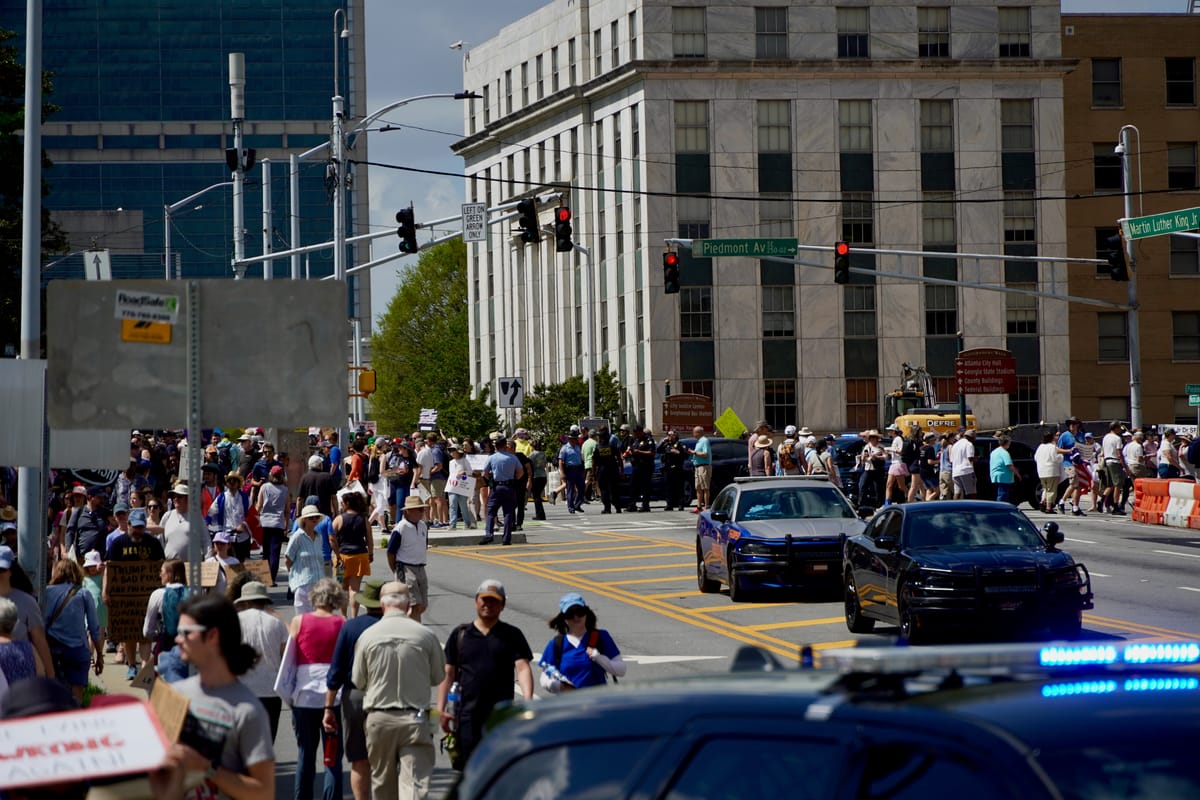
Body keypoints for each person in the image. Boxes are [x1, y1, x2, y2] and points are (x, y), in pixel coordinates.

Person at [172, 593, 275, 799]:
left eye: (186, 632)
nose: (178, 639)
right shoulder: (176, 694)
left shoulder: (248, 711)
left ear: (212, 636)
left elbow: (264, 792)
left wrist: (206, 768)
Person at [352, 581, 445, 800]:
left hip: (379, 717)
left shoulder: (367, 636)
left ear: (382, 606)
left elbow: (358, 680)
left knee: (383, 784)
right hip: (415, 719)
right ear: (409, 607)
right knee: (413, 785)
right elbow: (437, 677)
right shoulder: (425, 635)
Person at [437, 579, 534, 766]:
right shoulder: (460, 635)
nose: (488, 605)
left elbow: (522, 668)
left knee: (499, 768)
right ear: (476, 601)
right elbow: (448, 673)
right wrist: (440, 709)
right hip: (467, 717)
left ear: (503, 605)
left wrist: (528, 701)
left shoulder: (512, 635)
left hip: (501, 716)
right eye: (484, 600)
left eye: (494, 601)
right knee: (469, 772)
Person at [323, 578, 386, 800]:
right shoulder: (395, 627)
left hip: (356, 697)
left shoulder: (350, 627)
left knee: (359, 760)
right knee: (387, 760)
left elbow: (336, 671)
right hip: (388, 697)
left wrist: (329, 707)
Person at [287, 578, 346, 800]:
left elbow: (290, 660)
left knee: (305, 754)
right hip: (333, 696)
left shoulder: (299, 621)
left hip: (304, 694)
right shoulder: (341, 623)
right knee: (332, 755)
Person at [104, 506, 165, 680]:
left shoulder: (153, 543)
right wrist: (105, 592)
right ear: (128, 524)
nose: (138, 531)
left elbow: (161, 567)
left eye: (141, 527)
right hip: (124, 598)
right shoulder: (118, 543)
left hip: (147, 596)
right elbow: (109, 568)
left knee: (145, 633)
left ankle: (145, 665)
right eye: (135, 527)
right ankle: (132, 665)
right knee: (129, 633)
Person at [233, 581, 288, 743]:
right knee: (267, 741)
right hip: (270, 689)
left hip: (241, 689)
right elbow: (285, 655)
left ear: (245, 602)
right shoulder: (276, 623)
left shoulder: (234, 621)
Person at [538, 592, 626, 693]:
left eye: (580, 612)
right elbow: (544, 678)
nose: (576, 617)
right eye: (570, 614)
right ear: (564, 617)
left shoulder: (601, 637)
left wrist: (598, 658)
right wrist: (560, 687)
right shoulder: (556, 644)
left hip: (598, 702)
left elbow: (621, 670)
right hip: (571, 704)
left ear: (586, 613)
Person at [45, 558, 103, 701]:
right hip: (78, 649)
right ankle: (75, 714)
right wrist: (99, 654)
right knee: (77, 692)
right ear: (77, 573)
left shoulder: (46, 592)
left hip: (53, 649)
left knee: (56, 691)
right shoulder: (83, 593)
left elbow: (42, 621)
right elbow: (94, 627)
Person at [142, 559, 190, 683]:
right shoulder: (192, 594)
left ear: (169, 574)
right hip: (189, 647)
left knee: (162, 685)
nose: (159, 574)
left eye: (162, 571)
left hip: (165, 646)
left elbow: (147, 631)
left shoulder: (158, 595)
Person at [387, 496, 431, 622]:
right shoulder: (401, 528)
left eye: (422, 509)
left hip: (421, 567)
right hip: (406, 568)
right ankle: (413, 629)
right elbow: (390, 552)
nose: (422, 512)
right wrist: (395, 570)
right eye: (419, 509)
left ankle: (410, 624)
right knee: (413, 605)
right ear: (408, 511)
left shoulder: (423, 526)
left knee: (422, 605)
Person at [332, 490, 373, 617]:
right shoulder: (364, 519)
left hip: (342, 558)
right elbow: (369, 538)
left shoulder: (339, 519)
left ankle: (344, 616)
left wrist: (336, 554)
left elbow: (332, 538)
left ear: (347, 503)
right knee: (354, 589)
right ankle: (354, 616)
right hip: (360, 556)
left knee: (342, 588)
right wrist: (370, 554)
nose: (341, 505)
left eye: (342, 503)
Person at [480, 436, 524, 546]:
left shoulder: (492, 458)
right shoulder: (513, 458)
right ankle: (506, 538)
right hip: (509, 487)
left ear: (495, 446)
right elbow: (520, 472)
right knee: (508, 513)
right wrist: (514, 478)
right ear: (505, 446)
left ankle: (489, 535)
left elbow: (484, 473)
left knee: (491, 512)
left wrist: (490, 477)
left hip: (496, 487)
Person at [286, 504, 329, 614]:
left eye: (316, 517)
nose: (314, 519)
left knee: (319, 619)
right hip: (303, 584)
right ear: (304, 520)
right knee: (304, 620)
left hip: (319, 584)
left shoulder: (319, 536)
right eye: (311, 517)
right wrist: (294, 574)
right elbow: (288, 559)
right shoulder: (297, 537)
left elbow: (319, 560)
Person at [208, 472, 254, 563]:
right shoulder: (221, 497)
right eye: (230, 481)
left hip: (242, 537)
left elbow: (252, 514)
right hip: (227, 536)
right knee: (227, 562)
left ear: (238, 483)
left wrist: (244, 524)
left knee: (240, 563)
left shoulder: (244, 497)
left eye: (234, 481)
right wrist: (205, 522)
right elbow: (211, 513)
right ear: (227, 483)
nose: (232, 483)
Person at [256, 465, 290, 583]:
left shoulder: (264, 487)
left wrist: (256, 519)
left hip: (264, 522)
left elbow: (259, 505)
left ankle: (265, 578)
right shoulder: (285, 490)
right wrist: (286, 525)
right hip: (278, 523)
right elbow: (287, 509)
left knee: (265, 552)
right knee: (275, 552)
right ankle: (272, 578)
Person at [151, 482, 192, 561]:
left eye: (179, 497)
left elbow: (205, 542)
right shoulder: (167, 516)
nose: (175, 499)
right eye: (174, 497)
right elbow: (160, 539)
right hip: (169, 565)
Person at [445, 444, 476, 530]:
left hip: (462, 486)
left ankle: (467, 523)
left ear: (458, 451)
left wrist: (464, 472)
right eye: (450, 450)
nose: (451, 452)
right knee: (452, 504)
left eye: (453, 450)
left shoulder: (464, 461)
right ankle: (452, 524)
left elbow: (470, 472)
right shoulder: (451, 462)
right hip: (453, 486)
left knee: (463, 505)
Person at [627, 427, 656, 512]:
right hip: (636, 466)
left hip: (646, 467)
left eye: (637, 433)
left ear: (641, 432)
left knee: (645, 487)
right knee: (633, 486)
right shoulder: (635, 440)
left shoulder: (648, 440)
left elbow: (652, 452)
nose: (636, 435)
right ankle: (632, 505)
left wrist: (639, 452)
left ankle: (645, 505)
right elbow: (632, 449)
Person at [658, 431, 688, 511]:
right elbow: (658, 450)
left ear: (675, 436)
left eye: (671, 435)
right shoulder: (666, 444)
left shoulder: (680, 444)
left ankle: (681, 504)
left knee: (679, 487)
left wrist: (678, 452)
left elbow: (686, 455)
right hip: (668, 468)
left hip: (677, 469)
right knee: (668, 487)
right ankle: (669, 504)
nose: (669, 436)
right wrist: (662, 442)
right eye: (668, 435)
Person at [557, 431, 586, 513]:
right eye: (573, 439)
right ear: (569, 439)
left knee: (582, 488)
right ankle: (571, 507)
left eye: (576, 438)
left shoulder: (577, 447)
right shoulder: (565, 448)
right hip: (570, 470)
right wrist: (562, 473)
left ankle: (577, 505)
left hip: (579, 470)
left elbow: (581, 458)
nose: (575, 440)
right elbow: (560, 461)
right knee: (570, 490)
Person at [1035, 431, 1063, 513]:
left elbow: (1035, 458)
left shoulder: (1040, 447)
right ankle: (1048, 507)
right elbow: (1056, 458)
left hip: (1041, 471)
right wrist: (1061, 456)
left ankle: (1042, 501)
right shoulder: (1052, 447)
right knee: (1051, 489)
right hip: (1051, 471)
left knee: (1045, 489)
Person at [989, 435, 1021, 505]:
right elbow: (1009, 464)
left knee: (999, 493)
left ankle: (999, 506)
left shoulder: (994, 452)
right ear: (1007, 443)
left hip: (995, 475)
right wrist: (1017, 474)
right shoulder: (1005, 453)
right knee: (1003, 494)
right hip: (1004, 476)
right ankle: (1000, 508)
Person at [858, 431, 887, 506]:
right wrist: (863, 457)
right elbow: (862, 457)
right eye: (871, 438)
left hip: (878, 470)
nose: (872, 439)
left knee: (879, 488)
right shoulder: (867, 446)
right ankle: (861, 504)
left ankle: (879, 504)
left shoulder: (881, 447)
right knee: (862, 485)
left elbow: (885, 457)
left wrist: (876, 457)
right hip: (868, 469)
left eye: (874, 437)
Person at [688, 426, 712, 514]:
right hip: (697, 466)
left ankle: (706, 506)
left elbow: (705, 454)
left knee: (705, 487)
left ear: (698, 433)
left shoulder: (704, 441)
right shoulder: (698, 442)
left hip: (704, 466)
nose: (693, 434)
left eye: (694, 432)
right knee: (698, 487)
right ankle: (699, 506)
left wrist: (694, 452)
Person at [950, 428, 978, 499]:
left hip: (955, 472)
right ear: (970, 437)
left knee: (957, 493)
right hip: (966, 471)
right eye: (974, 437)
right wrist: (977, 458)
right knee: (971, 493)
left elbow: (951, 460)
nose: (974, 439)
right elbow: (970, 458)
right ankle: (971, 508)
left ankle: (955, 508)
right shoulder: (969, 444)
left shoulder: (955, 445)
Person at [527, 438, 548, 521]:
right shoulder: (543, 454)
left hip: (535, 476)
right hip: (543, 475)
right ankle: (541, 514)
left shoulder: (532, 455)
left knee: (536, 497)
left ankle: (539, 515)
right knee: (538, 496)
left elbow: (529, 465)